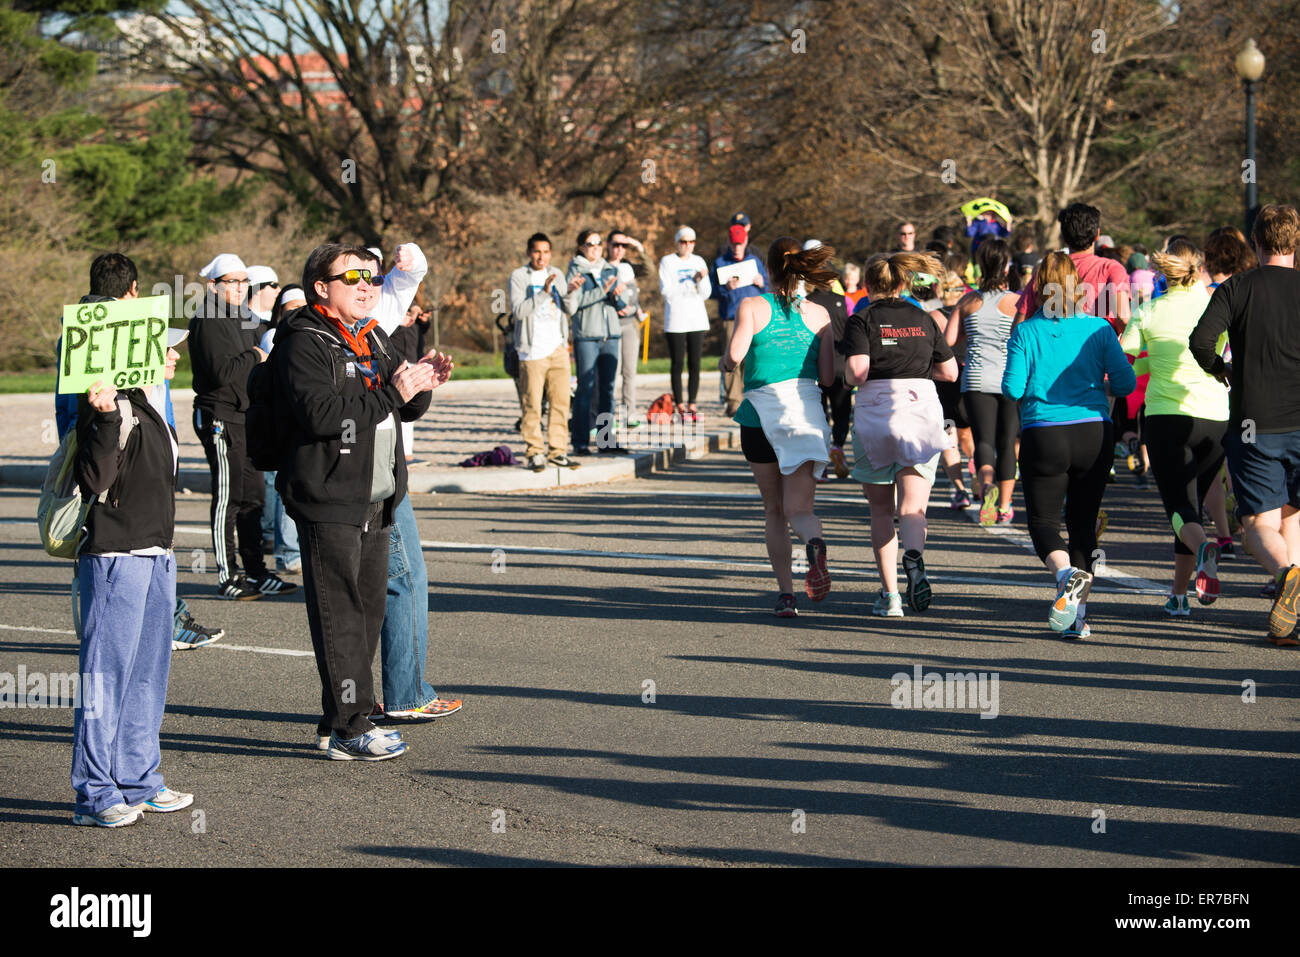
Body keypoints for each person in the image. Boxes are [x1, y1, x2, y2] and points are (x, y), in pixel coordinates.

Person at [270, 244, 451, 759]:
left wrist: (422, 383)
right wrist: (395, 393)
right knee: (342, 614)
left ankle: (338, 720)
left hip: (376, 495)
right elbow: (324, 415)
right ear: (321, 288)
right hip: (329, 497)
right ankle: (351, 728)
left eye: (371, 276)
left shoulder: (370, 333)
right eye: (352, 277)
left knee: (368, 613)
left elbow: (403, 406)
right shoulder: (303, 340)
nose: (367, 284)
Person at [55, 253, 224, 652]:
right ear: (133, 289)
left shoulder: (75, 333)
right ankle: (162, 621)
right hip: (129, 456)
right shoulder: (135, 333)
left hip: (93, 451)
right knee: (132, 543)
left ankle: (125, 622)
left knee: (102, 541)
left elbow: (67, 411)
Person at [71, 317, 192, 826]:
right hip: (116, 556)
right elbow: (95, 477)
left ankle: (138, 780)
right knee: (105, 678)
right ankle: (94, 794)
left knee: (147, 675)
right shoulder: (111, 404)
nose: (174, 356)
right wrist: (101, 418)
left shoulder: (149, 404)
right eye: (163, 349)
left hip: (155, 554)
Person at [1003, 252, 1136, 639]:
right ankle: (1078, 619)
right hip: (1094, 431)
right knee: (1083, 525)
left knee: (1043, 523)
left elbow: (1011, 388)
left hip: (1045, 432)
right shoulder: (1099, 329)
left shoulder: (1027, 331)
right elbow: (1126, 385)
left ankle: (1065, 576)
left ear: (1038, 286)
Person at [1190, 204, 1300, 646]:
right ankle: (1291, 611)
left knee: (1256, 522)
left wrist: (1223, 370)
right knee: (1293, 514)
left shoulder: (1238, 287)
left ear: (1255, 242)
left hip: (1256, 420)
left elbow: (1200, 342)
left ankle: (1288, 576)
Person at [722, 237, 836, 618]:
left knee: (773, 510)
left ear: (767, 270)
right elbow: (827, 376)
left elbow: (735, 356)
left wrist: (726, 361)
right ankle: (814, 541)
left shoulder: (752, 306)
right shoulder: (820, 315)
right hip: (805, 415)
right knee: (800, 509)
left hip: (760, 417)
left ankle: (787, 595)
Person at [843, 252, 958, 617]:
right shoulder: (924, 318)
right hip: (922, 409)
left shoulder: (861, 319)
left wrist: (846, 378)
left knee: (880, 509)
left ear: (868, 283)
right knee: (913, 507)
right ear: (903, 282)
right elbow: (951, 372)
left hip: (876, 412)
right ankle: (915, 557)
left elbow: (858, 371)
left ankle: (890, 596)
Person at [1120, 239, 1226, 616]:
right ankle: (1179, 595)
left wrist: (1135, 374)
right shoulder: (1217, 305)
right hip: (1217, 417)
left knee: (1180, 507)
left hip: (1168, 418)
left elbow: (1124, 364)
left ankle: (1204, 549)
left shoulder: (1148, 311)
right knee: (1191, 509)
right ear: (1198, 269)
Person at [189, 253, 296, 600]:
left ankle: (256, 571)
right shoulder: (208, 316)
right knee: (229, 498)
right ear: (213, 286)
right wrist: (255, 354)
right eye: (231, 282)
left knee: (254, 498)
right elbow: (221, 372)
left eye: (242, 281)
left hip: (245, 418)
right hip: (219, 416)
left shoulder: (242, 316)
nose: (238, 288)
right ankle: (228, 576)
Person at [948, 239, 1020, 525]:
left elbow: (949, 341)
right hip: (1009, 378)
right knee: (1008, 441)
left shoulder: (967, 301)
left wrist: (972, 332)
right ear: (1006, 266)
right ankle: (1004, 505)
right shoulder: (1016, 302)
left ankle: (986, 490)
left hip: (976, 378)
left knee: (984, 442)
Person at [509, 232, 583, 470]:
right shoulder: (519, 277)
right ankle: (534, 452)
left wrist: (571, 290)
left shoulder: (558, 273)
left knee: (561, 403)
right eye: (537, 251)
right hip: (532, 351)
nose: (542, 257)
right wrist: (544, 292)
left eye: (546, 251)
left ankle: (557, 451)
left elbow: (570, 309)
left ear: (551, 253)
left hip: (558, 348)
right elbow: (519, 312)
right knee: (532, 404)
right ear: (529, 253)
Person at [257, 284, 306, 575]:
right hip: (282, 423)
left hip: (304, 422)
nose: (298, 313)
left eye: (303, 307)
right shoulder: (272, 337)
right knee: (285, 489)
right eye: (291, 309)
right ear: (280, 313)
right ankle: (287, 553)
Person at [567, 228, 626, 454]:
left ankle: (605, 440)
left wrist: (618, 295)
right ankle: (580, 442)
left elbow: (620, 306)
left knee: (608, 390)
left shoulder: (610, 268)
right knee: (586, 389)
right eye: (590, 244)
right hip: (587, 336)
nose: (596, 248)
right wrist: (603, 290)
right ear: (581, 247)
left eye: (599, 243)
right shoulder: (575, 270)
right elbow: (576, 303)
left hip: (610, 334)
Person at [712, 219, 768, 416]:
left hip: (755, 318)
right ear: (729, 242)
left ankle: (750, 398)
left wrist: (762, 283)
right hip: (731, 318)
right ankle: (733, 401)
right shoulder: (720, 263)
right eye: (734, 244)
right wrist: (725, 288)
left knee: (752, 359)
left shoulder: (755, 262)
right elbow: (711, 291)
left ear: (746, 241)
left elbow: (770, 288)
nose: (737, 247)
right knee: (732, 357)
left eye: (740, 243)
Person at [659, 226, 712, 421]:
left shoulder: (698, 261)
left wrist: (700, 280)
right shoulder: (668, 262)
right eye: (683, 242)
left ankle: (692, 403)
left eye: (691, 242)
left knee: (695, 363)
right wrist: (689, 283)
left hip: (697, 319)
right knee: (678, 363)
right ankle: (679, 403)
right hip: (676, 320)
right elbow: (667, 291)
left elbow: (706, 293)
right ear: (677, 243)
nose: (687, 246)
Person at [609, 229, 647, 426]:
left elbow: (648, 270)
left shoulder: (628, 267)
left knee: (629, 372)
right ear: (608, 246)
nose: (619, 249)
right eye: (615, 245)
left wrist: (637, 246)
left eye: (623, 246)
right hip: (611, 325)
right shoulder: (603, 267)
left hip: (630, 325)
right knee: (612, 373)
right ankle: (609, 413)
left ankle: (628, 413)